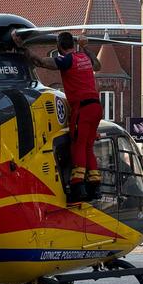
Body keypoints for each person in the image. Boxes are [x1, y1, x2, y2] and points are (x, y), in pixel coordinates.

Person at [12, 30, 102, 203]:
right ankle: (95, 186)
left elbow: (41, 62)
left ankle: (78, 186)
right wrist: (85, 48)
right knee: (88, 145)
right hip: (96, 107)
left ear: (59, 47)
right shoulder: (84, 58)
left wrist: (22, 47)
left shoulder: (67, 60)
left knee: (78, 144)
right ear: (73, 44)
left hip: (82, 108)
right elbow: (98, 65)